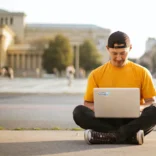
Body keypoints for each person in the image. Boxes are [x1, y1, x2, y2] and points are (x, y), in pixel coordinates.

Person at [73, 31, 156, 145]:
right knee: (78, 112)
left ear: (130, 48)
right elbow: (87, 104)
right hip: (106, 121)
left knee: (154, 110)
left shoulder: (142, 72)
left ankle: (108, 136)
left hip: (134, 120)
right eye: (114, 53)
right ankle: (129, 136)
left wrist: (138, 107)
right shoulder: (96, 74)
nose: (118, 58)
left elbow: (150, 102)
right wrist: (102, 109)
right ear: (108, 49)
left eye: (123, 53)